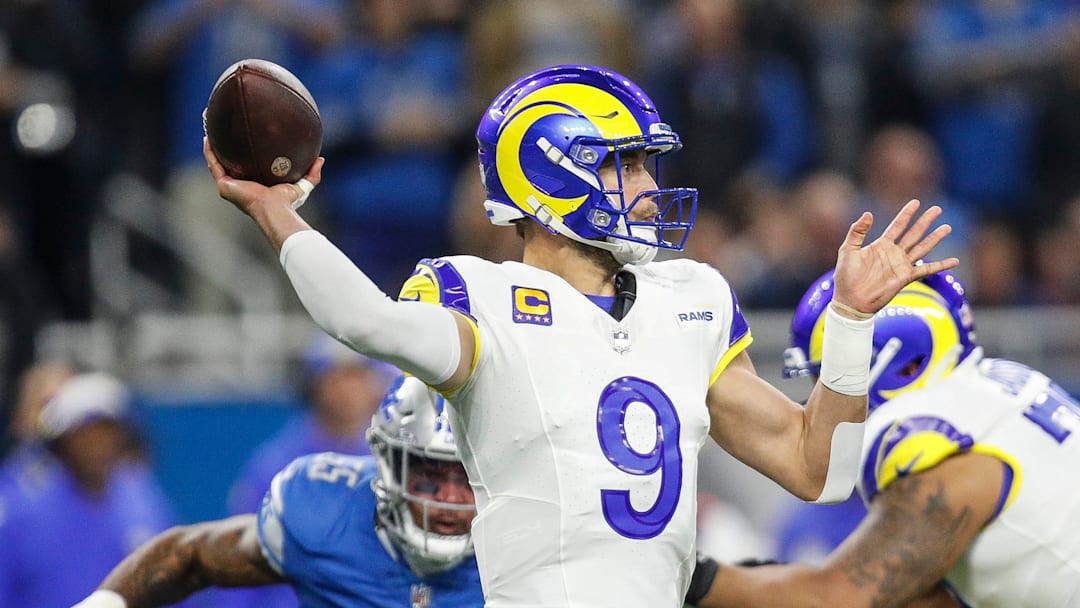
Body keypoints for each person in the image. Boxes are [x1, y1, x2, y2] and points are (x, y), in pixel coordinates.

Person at [202, 64, 956, 607]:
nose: (651, 188)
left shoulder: (687, 301)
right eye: (626, 165)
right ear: (551, 174)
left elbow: (818, 471)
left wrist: (852, 322)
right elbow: (362, 319)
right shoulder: (486, 303)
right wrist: (276, 211)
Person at [688, 268, 1080, 607]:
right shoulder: (996, 385)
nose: (822, 400)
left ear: (896, 361)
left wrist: (686, 571)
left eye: (829, 377)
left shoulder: (931, 440)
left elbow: (839, 600)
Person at [71, 374, 483, 608]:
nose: (446, 498)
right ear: (390, 468)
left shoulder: (535, 541)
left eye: (463, 477)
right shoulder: (327, 514)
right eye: (429, 475)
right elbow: (193, 556)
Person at [219, 332, 393, 607]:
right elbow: (236, 554)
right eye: (337, 378)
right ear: (315, 385)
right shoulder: (278, 463)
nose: (348, 391)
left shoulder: (390, 458)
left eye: (357, 377)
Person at [0, 372, 187, 607]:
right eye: (84, 434)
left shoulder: (143, 497)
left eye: (107, 431)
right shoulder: (20, 509)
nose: (96, 444)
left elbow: (175, 588)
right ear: (63, 442)